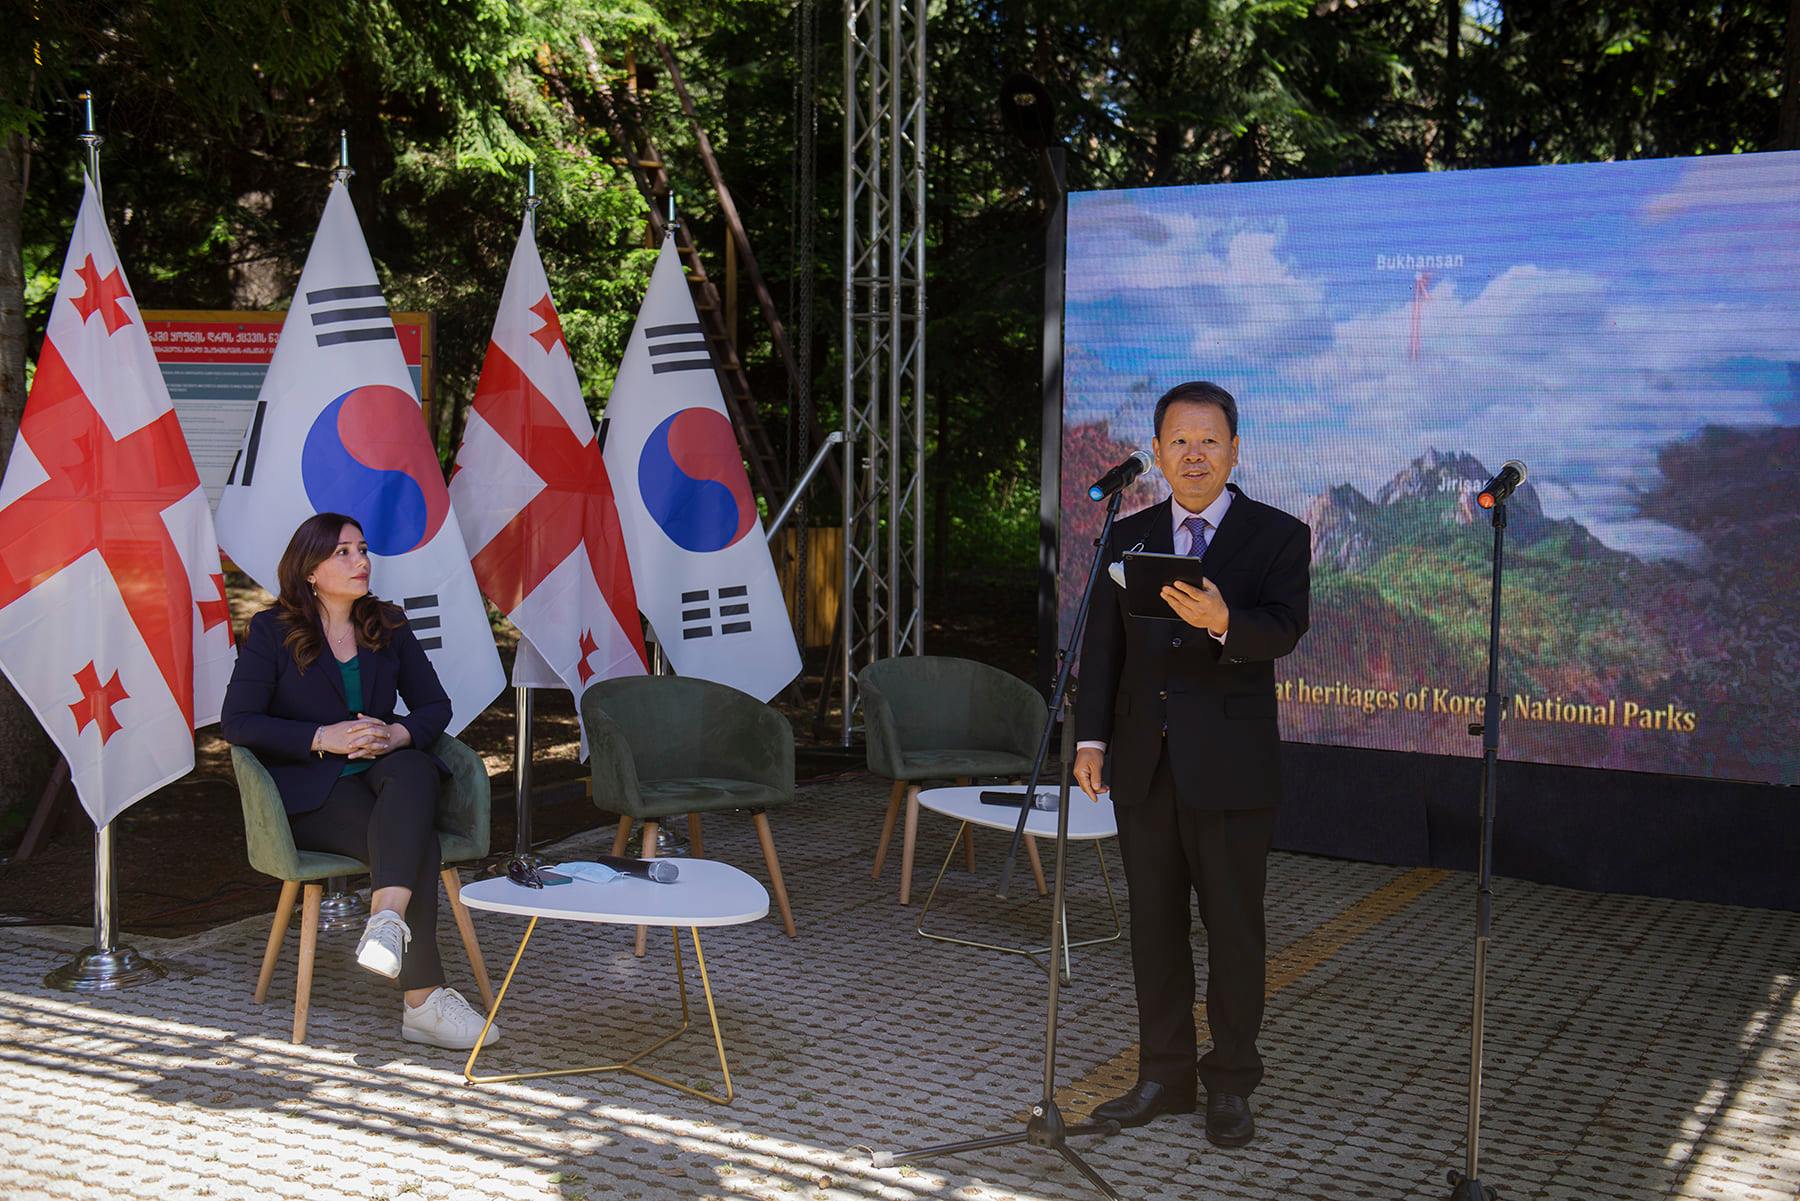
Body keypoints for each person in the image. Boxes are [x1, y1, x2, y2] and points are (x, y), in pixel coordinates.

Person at [1073, 381, 1310, 1147]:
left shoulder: (1278, 535)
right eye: (1179, 441)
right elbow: (1103, 647)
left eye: (1210, 440)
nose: (1194, 454)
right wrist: (1091, 740)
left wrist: (1223, 620)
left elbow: (1286, 627)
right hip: (1145, 764)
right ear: (1157, 452)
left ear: (1235, 450)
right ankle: (1163, 1075)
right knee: (1154, 928)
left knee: (1234, 931)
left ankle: (1231, 1081)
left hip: (1233, 769)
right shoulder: (1129, 533)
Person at [221, 512, 498, 1051]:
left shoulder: (386, 625)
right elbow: (239, 722)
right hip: (314, 790)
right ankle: (422, 1002)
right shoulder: (272, 631)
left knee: (414, 767)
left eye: (364, 550)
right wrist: (322, 736)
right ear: (310, 570)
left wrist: (396, 734)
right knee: (415, 840)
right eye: (343, 552)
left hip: (385, 775)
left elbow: (434, 705)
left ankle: (386, 920)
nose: (361, 561)